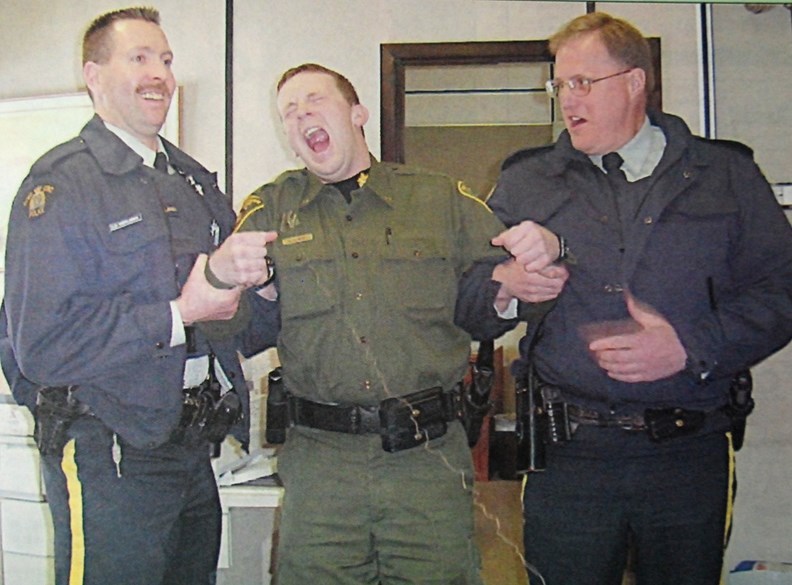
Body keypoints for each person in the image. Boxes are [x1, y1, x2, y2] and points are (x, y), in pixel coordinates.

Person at [457, 11, 792, 585]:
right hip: (570, 458)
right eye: (559, 84)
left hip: (689, 453)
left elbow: (781, 292)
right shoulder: (527, 181)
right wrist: (506, 287)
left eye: (583, 82)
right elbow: (467, 301)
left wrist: (691, 347)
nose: (567, 99)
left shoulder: (725, 174)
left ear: (636, 82)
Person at [207, 62, 567, 585]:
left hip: (426, 465)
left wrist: (515, 283)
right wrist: (249, 287)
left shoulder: (439, 197)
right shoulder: (269, 209)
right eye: (288, 111)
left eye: (314, 100)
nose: (301, 114)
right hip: (321, 468)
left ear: (358, 113)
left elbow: (486, 301)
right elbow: (241, 332)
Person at [0, 7, 277, 585]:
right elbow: (41, 348)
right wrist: (182, 312)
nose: (160, 75)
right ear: (94, 76)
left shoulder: (195, 183)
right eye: (139, 58)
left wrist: (262, 291)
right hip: (109, 452)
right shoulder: (61, 184)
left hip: (191, 449)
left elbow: (233, 327)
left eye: (167, 60)